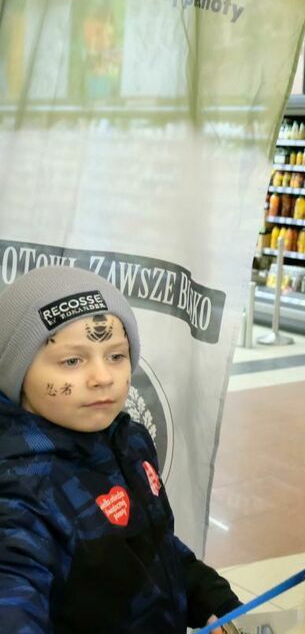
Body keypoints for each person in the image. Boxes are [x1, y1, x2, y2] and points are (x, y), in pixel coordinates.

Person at [0, 267, 240, 633]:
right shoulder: (19, 491)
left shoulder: (129, 442)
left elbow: (152, 547)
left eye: (116, 356)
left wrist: (212, 600)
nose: (103, 377)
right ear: (16, 371)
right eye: (72, 361)